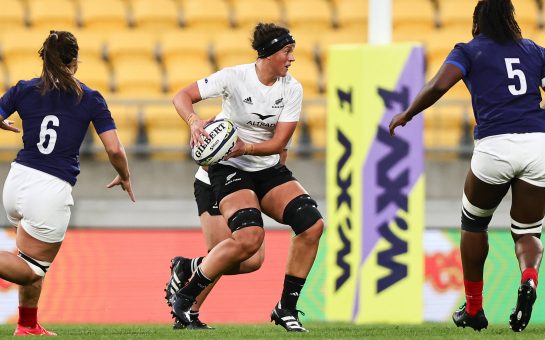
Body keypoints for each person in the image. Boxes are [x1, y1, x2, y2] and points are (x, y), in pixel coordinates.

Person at [389, 0, 543, 332]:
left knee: (474, 224)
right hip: (538, 145)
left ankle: (474, 308)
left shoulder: (470, 50)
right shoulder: (533, 49)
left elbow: (438, 85)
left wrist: (408, 113)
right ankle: (529, 279)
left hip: (494, 146)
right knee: (528, 231)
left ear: (477, 20)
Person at [169, 23, 324, 332]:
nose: (292, 58)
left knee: (312, 224)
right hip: (226, 167)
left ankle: (286, 308)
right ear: (268, 54)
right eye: (287, 52)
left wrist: (246, 147)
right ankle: (186, 302)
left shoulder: (292, 88)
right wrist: (194, 121)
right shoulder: (234, 77)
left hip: (263, 165)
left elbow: (279, 143)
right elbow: (182, 96)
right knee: (247, 242)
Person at [0, 30, 135, 336]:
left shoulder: (24, 88)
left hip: (18, 178)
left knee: (27, 262)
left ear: (44, 59)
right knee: (33, 269)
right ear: (75, 61)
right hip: (50, 188)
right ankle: (27, 324)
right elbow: (114, 148)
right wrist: (125, 176)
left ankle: (27, 325)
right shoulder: (89, 98)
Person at [164, 149, 288, 330]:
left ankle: (187, 266)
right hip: (218, 182)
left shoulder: (284, 122)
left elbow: (281, 152)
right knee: (222, 255)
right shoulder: (233, 120)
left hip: (251, 185)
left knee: (253, 261)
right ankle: (190, 313)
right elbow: (208, 149)